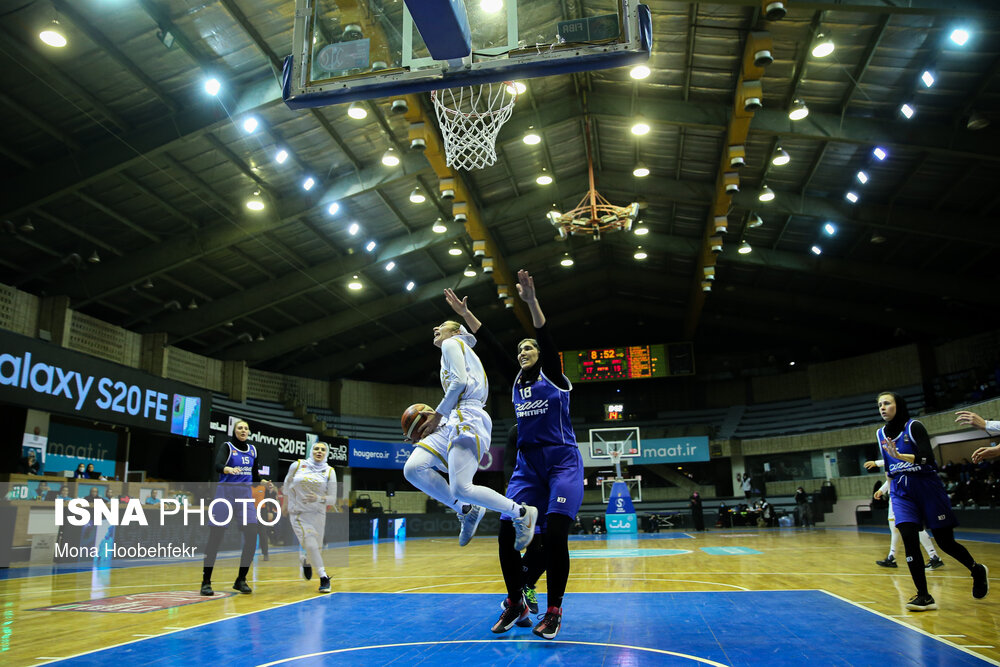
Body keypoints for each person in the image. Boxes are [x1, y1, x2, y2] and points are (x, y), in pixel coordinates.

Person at [445, 270, 584, 640]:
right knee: (506, 532)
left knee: (555, 536)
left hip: (562, 462)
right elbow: (491, 345)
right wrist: (465, 315)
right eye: (520, 349)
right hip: (529, 465)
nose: (523, 352)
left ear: (541, 356)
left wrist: (532, 302)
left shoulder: (553, 376)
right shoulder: (518, 381)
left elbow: (546, 337)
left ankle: (553, 612)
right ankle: (516, 601)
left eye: (529, 349)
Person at [404, 318, 535, 551]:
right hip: (454, 416)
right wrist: (439, 417)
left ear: (456, 332)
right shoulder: (455, 349)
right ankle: (466, 509)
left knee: (462, 488)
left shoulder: (451, 343)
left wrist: (437, 416)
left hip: (468, 415)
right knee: (413, 469)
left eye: (442, 326)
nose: (435, 328)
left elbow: (459, 384)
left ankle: (522, 513)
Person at [875, 391, 989, 611]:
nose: (882, 408)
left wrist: (901, 456)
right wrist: (885, 489)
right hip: (901, 492)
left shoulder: (914, 427)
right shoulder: (880, 433)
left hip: (927, 488)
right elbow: (889, 468)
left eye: (887, 403)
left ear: (898, 405)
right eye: (880, 405)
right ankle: (924, 595)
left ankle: (976, 570)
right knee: (909, 538)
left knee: (945, 542)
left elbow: (928, 458)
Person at [200, 419, 266, 596]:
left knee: (252, 536)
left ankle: (241, 579)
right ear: (234, 431)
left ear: (249, 432)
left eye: (246, 428)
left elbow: (254, 476)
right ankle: (206, 581)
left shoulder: (253, 450)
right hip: (225, 494)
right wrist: (227, 469)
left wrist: (263, 482)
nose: (243, 430)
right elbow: (218, 466)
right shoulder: (227, 447)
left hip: (245, 496)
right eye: (240, 428)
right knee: (215, 537)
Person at [864, 459, 942, 569]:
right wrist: (882, 490)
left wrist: (877, 463)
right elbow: (892, 478)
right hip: (897, 496)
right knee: (896, 528)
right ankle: (892, 557)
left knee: (913, 527)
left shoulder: (901, 458)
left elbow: (895, 460)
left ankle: (934, 556)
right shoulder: (896, 464)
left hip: (902, 497)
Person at [284, 442, 338, 593]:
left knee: (316, 548)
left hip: (318, 514)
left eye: (323, 449)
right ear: (311, 451)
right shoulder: (297, 465)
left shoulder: (329, 471)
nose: (319, 451)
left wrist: (319, 498)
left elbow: (332, 499)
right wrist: (285, 504)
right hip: (298, 513)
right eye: (316, 448)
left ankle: (306, 561)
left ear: (326, 453)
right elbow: (287, 484)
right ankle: (324, 578)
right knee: (311, 545)